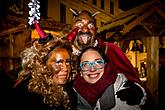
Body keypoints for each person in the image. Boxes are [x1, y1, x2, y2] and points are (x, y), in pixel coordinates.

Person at [13, 33, 77, 110]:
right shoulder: (26, 92)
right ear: (42, 64)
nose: (66, 68)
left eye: (68, 62)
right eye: (58, 62)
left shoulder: (69, 89)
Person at [73, 46, 146, 110]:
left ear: (106, 66)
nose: (92, 69)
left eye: (98, 62)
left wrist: (140, 93)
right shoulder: (73, 93)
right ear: (80, 72)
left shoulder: (123, 90)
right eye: (85, 64)